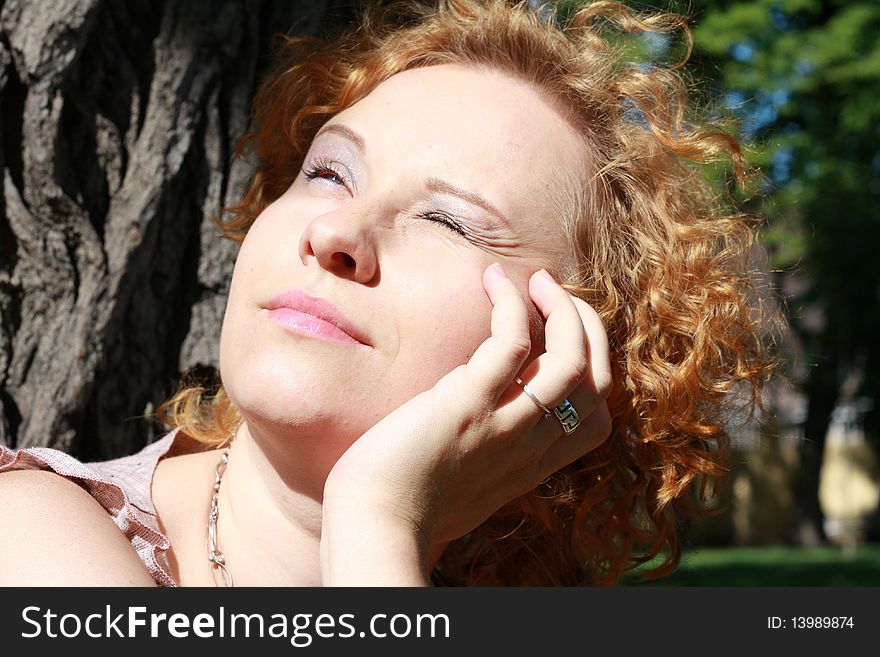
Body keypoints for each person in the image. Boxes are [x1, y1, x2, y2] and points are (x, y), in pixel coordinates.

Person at [0, 0, 776, 586]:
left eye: (447, 220)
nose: (337, 231)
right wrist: (380, 520)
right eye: (329, 172)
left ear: (558, 356)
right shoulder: (31, 537)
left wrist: (382, 526)